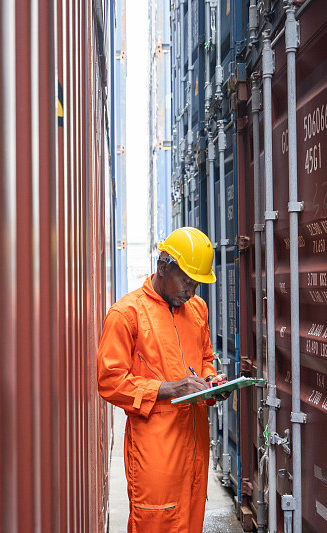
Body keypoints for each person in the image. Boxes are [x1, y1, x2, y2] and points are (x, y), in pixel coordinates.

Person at [97, 226, 227, 532]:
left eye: (197, 284)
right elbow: (109, 381)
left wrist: (213, 385)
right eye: (186, 281)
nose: (191, 291)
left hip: (195, 445)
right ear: (162, 267)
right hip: (155, 450)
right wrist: (169, 389)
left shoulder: (197, 310)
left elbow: (205, 360)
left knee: (191, 520)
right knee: (156, 522)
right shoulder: (126, 314)